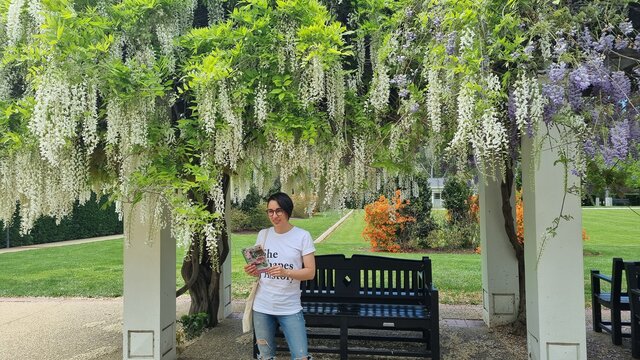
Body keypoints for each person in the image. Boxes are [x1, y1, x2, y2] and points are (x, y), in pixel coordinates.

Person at [244, 192, 316, 360]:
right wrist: (252, 270)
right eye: (270, 211)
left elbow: (310, 272)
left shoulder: (302, 236)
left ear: (287, 211)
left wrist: (286, 272)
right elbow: (259, 268)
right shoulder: (264, 234)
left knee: (301, 356)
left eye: (279, 211)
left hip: (290, 307)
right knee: (266, 356)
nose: (274, 215)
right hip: (262, 306)